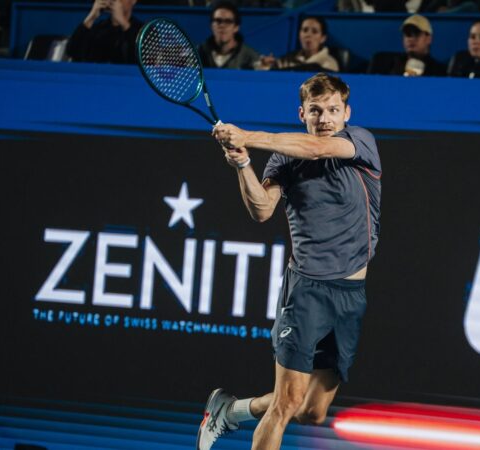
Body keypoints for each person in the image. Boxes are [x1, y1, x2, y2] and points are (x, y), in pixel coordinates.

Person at [196, 72, 382, 450]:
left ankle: (230, 412)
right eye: (316, 110)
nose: (325, 118)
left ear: (347, 112)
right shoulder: (284, 158)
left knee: (312, 410)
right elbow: (262, 209)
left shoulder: (360, 142)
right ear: (302, 114)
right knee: (285, 404)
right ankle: (233, 416)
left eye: (333, 110)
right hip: (307, 291)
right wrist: (243, 162)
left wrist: (247, 136)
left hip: (351, 292)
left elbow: (315, 150)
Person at [66, 0, 142, 64]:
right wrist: (91, 17)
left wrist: (123, 23)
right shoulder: (98, 29)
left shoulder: (142, 29)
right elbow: (72, 52)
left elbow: (142, 57)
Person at [368, 14, 445, 77]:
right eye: (407, 34)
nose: (410, 39)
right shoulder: (390, 66)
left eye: (416, 34)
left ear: (429, 39)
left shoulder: (439, 72)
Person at [257, 17, 339, 72]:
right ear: (299, 34)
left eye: (314, 31)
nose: (308, 35)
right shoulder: (286, 60)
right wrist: (266, 67)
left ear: (323, 38)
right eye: (305, 30)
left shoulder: (330, 64)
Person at [197, 1, 260, 70]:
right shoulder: (199, 52)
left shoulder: (249, 56)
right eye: (218, 21)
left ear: (236, 27)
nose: (222, 25)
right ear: (212, 25)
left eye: (228, 21)